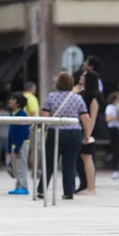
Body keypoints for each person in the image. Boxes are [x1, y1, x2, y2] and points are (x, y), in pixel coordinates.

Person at [37, 72, 92, 200]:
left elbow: (44, 116)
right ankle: (68, 192)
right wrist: (87, 134)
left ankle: (41, 190)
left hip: (55, 132)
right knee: (70, 164)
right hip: (74, 133)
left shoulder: (51, 97)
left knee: (49, 163)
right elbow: (85, 117)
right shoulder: (77, 98)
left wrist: (44, 130)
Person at [75, 70, 102, 194]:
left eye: (83, 76)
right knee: (81, 158)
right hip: (80, 129)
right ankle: (84, 185)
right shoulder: (81, 94)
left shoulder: (93, 97)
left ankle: (91, 188)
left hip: (87, 130)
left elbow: (92, 117)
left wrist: (88, 134)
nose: (80, 77)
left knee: (87, 157)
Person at [6, 92, 30, 195]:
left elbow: (22, 133)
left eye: (13, 99)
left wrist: (17, 148)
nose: (10, 101)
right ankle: (18, 186)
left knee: (21, 166)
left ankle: (23, 186)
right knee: (16, 166)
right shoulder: (13, 114)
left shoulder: (22, 114)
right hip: (14, 144)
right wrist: (9, 148)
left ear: (18, 103)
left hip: (21, 144)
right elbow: (11, 132)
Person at [105, 92, 119, 179]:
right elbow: (108, 118)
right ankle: (114, 169)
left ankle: (118, 169)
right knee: (115, 149)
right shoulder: (110, 107)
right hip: (113, 129)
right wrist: (116, 117)